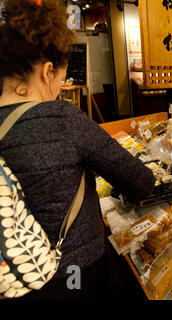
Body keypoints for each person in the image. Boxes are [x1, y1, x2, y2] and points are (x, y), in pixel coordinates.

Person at [0, 0, 156, 299]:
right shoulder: (61, 119)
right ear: (47, 72)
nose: (59, 87)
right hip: (73, 274)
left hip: (11, 280)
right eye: (60, 79)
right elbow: (141, 181)